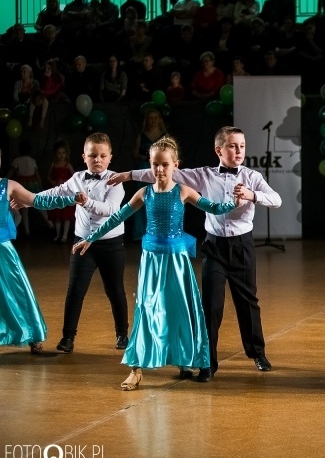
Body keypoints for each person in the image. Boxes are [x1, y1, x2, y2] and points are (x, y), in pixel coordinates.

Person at [109, 126, 283, 381]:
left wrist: (252, 195)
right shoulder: (204, 175)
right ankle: (207, 363)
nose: (238, 151)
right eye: (232, 146)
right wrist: (128, 175)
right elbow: (164, 169)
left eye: (242, 146)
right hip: (214, 246)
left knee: (247, 301)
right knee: (210, 305)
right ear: (218, 150)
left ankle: (257, 353)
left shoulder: (252, 176)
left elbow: (276, 200)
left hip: (242, 245)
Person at [73, 136, 238, 390]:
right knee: (147, 311)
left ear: (175, 165)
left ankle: (185, 360)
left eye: (165, 165)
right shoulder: (144, 193)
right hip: (151, 261)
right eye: (154, 164)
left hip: (177, 261)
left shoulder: (183, 191)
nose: (159, 170)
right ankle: (136, 369)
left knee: (180, 310)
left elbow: (214, 208)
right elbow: (117, 217)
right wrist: (91, 238)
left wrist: (237, 201)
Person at [27, 133, 130, 354]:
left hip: (111, 245)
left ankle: (122, 334)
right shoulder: (76, 178)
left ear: (110, 157)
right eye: (93, 155)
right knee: (75, 290)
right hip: (82, 244)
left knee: (115, 290)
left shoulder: (116, 180)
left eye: (102, 155)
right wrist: (28, 200)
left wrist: (87, 202)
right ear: (84, 157)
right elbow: (55, 193)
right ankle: (67, 338)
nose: (98, 159)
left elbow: (110, 210)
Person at [1, 151, 80, 354]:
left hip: (3, 251)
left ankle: (32, 334)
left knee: (18, 292)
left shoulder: (8, 186)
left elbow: (39, 201)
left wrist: (71, 199)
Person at [131, 109, 167, 240]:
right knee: (143, 200)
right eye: (151, 118)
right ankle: (141, 233)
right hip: (144, 169)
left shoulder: (165, 136)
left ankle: (160, 232)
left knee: (160, 201)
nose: (153, 121)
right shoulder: (141, 136)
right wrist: (143, 157)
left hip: (160, 171)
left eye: (155, 118)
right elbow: (135, 154)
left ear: (159, 119)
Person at [8, 140, 51, 236]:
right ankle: (50, 224)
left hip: (22, 185)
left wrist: (5, 181)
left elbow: (10, 173)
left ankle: (27, 231)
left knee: (24, 208)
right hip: (33, 184)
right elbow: (37, 175)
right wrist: (40, 186)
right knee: (38, 204)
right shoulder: (32, 160)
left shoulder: (17, 160)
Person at [47, 140, 76, 243]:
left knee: (66, 215)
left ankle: (64, 235)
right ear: (56, 154)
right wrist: (53, 182)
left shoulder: (67, 165)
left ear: (66, 153)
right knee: (57, 215)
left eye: (63, 153)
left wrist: (65, 181)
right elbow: (48, 177)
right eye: (59, 153)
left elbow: (74, 177)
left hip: (65, 193)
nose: (61, 155)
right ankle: (58, 234)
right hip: (56, 193)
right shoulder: (53, 164)